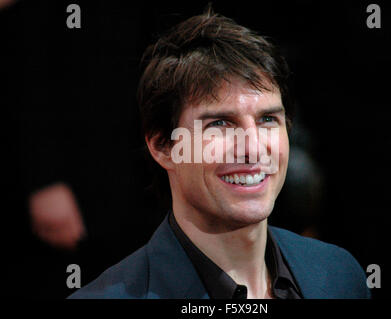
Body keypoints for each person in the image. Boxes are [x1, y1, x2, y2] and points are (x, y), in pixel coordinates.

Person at [69, 7, 370, 299]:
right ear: (163, 146)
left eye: (268, 119)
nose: (252, 148)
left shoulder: (340, 274)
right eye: (221, 124)